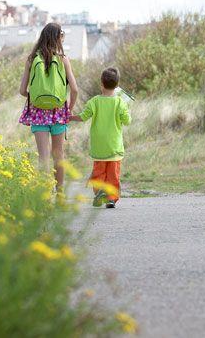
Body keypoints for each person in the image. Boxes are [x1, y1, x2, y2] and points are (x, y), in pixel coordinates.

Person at [19, 23, 79, 193]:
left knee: (43, 157)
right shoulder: (63, 59)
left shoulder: (31, 59)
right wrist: (69, 108)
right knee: (58, 154)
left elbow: (22, 90)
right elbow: (74, 89)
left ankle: (45, 193)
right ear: (59, 37)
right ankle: (60, 193)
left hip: (38, 112)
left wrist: (38, 97)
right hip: (59, 112)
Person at [69, 67, 131, 208]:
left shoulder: (94, 101)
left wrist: (70, 117)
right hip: (114, 148)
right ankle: (111, 198)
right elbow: (127, 121)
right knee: (113, 175)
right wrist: (127, 109)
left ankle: (99, 193)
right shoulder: (120, 102)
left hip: (99, 147)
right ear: (117, 86)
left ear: (101, 84)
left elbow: (83, 117)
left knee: (98, 173)